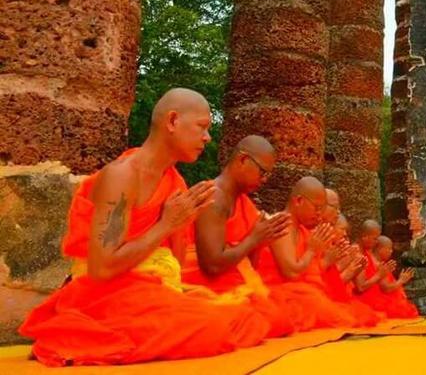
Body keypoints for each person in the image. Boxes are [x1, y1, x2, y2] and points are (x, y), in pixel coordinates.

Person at [19, 89, 270, 366]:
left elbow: (173, 266)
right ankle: (76, 335)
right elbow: (102, 268)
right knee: (212, 328)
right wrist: (167, 224)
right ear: (173, 121)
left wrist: (179, 229)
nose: (207, 138)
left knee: (247, 317)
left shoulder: (175, 183)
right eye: (202, 127)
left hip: (149, 292)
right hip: (106, 294)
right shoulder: (122, 176)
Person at [182, 135, 294, 336]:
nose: (264, 180)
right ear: (243, 160)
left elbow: (249, 266)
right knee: (243, 323)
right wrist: (253, 239)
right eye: (263, 172)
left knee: (280, 319)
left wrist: (259, 243)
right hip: (203, 285)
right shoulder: (214, 197)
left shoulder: (245, 204)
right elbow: (212, 265)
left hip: (234, 285)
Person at [255, 176, 360, 329]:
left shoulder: (302, 230)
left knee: (347, 315)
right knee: (334, 316)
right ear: (298, 201)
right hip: (279, 293)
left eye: (322, 209)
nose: (319, 214)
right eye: (316, 208)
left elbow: (313, 273)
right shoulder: (282, 223)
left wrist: (336, 260)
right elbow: (291, 272)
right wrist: (312, 251)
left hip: (302, 293)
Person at [355, 233, 419, 319]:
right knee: (405, 310)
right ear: (380, 249)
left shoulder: (374, 260)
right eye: (389, 249)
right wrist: (401, 280)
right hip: (374, 301)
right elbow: (386, 288)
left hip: (372, 298)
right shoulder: (378, 264)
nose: (391, 251)